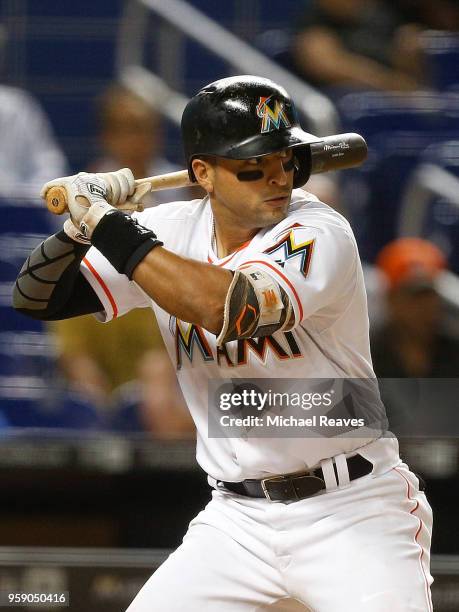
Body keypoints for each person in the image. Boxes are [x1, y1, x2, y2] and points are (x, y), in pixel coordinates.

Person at [13, 76, 432, 611]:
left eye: (285, 158)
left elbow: (229, 308)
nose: (277, 177)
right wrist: (77, 228)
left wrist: (106, 222)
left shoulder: (318, 231)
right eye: (253, 165)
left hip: (351, 507)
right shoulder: (167, 229)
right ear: (203, 174)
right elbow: (38, 297)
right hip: (236, 521)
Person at [371, 237, 459, 377]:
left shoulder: (453, 348)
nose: (424, 307)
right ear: (391, 298)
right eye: (414, 296)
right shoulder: (367, 352)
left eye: (429, 294)